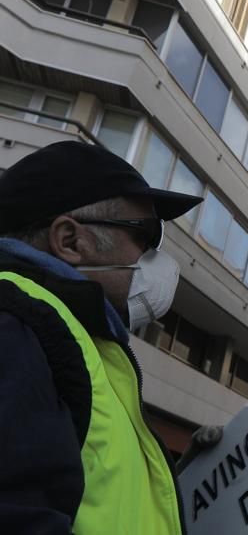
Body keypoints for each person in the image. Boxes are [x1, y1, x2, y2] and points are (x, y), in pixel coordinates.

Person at [0, 141, 203, 534]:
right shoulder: (17, 326)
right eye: (144, 236)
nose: (155, 260)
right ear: (70, 241)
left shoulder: (80, 342)